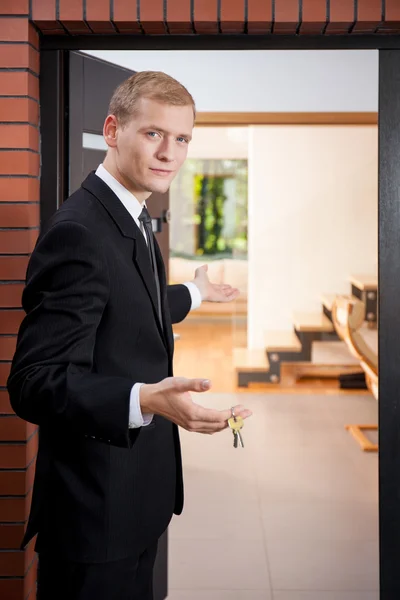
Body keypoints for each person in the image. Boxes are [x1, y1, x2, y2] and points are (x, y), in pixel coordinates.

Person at [7, 71, 252, 600]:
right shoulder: (80, 230)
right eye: (153, 134)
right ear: (113, 130)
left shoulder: (132, 215)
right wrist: (146, 399)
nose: (170, 153)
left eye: (182, 138)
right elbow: (34, 381)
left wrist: (195, 292)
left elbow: (125, 303)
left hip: (136, 503)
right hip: (95, 519)